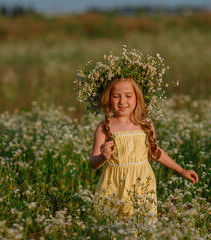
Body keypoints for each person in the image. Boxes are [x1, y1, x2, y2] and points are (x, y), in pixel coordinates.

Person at [74, 46, 198, 222]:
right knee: (113, 229)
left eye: (128, 96)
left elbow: (155, 152)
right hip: (113, 187)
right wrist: (102, 156)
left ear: (137, 98)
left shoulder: (145, 125)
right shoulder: (104, 127)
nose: (122, 101)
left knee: (141, 228)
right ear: (108, 98)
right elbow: (93, 163)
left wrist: (181, 170)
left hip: (142, 185)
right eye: (116, 96)